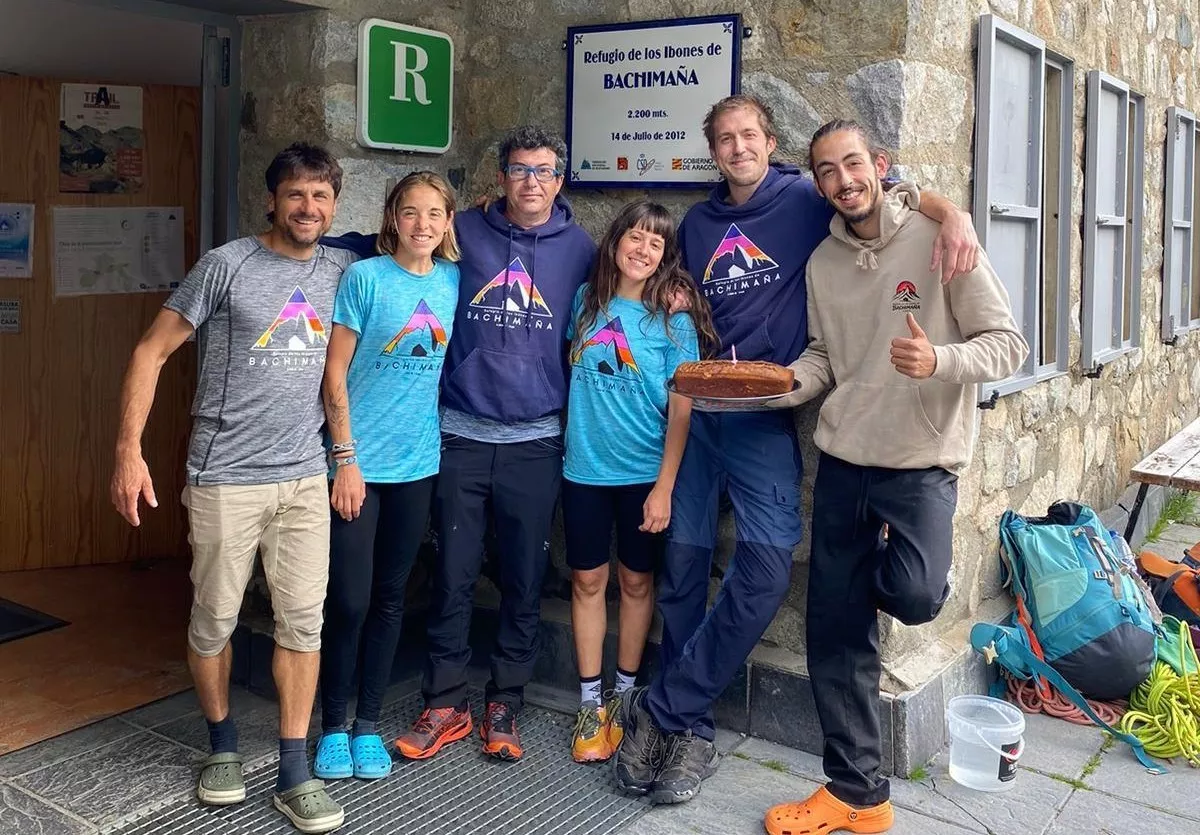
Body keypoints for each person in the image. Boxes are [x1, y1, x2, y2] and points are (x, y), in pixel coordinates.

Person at [615, 94, 982, 806]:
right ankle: (688, 729)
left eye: (749, 135)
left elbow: (883, 192)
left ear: (770, 142)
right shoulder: (699, 223)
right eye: (724, 139)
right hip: (698, 414)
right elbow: (678, 294)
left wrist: (954, 214)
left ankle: (665, 704)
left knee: (763, 570)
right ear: (713, 153)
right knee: (683, 570)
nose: (738, 147)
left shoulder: (807, 199)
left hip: (766, 417)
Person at [760, 119, 1027, 834]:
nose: (843, 180)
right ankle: (858, 792)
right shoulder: (822, 262)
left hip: (920, 462)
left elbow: (1008, 345)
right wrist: (778, 386)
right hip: (845, 458)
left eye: (853, 164)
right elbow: (824, 356)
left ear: (880, 165)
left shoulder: (942, 239)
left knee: (915, 593)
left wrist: (939, 360)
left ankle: (864, 587)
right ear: (819, 184)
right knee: (834, 629)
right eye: (827, 170)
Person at [109, 143, 352, 833]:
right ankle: (221, 744)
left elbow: (420, 245)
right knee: (215, 619)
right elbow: (151, 349)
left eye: (321, 196)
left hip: (304, 477)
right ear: (272, 200)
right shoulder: (227, 264)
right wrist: (128, 451)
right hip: (224, 477)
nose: (308, 207)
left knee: (304, 622)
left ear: (335, 205)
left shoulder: (344, 269)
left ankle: (294, 770)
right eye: (295, 194)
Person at [394, 126, 597, 762]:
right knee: (453, 575)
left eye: (543, 171)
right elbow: (405, 248)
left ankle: (506, 699)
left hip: (536, 441)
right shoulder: (465, 232)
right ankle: (445, 701)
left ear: (559, 180)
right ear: (501, 176)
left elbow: (617, 298)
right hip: (460, 432)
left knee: (523, 577)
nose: (530, 182)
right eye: (519, 170)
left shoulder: (580, 249)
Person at [313, 172, 461, 781]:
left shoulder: (453, 282)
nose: (422, 225)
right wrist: (344, 459)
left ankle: (368, 723)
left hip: (417, 465)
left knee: (392, 598)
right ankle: (332, 725)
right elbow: (334, 373)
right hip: (359, 466)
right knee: (348, 599)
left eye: (434, 214)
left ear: (448, 223)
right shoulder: (365, 278)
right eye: (410, 212)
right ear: (392, 219)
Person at [562, 200, 718, 764]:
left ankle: (625, 697)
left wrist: (664, 487)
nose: (643, 250)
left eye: (656, 243)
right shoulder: (586, 301)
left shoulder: (674, 321)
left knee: (635, 580)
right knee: (586, 580)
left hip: (643, 473)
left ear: (665, 256)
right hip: (584, 468)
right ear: (615, 241)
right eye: (635, 236)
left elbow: (683, 407)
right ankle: (590, 703)